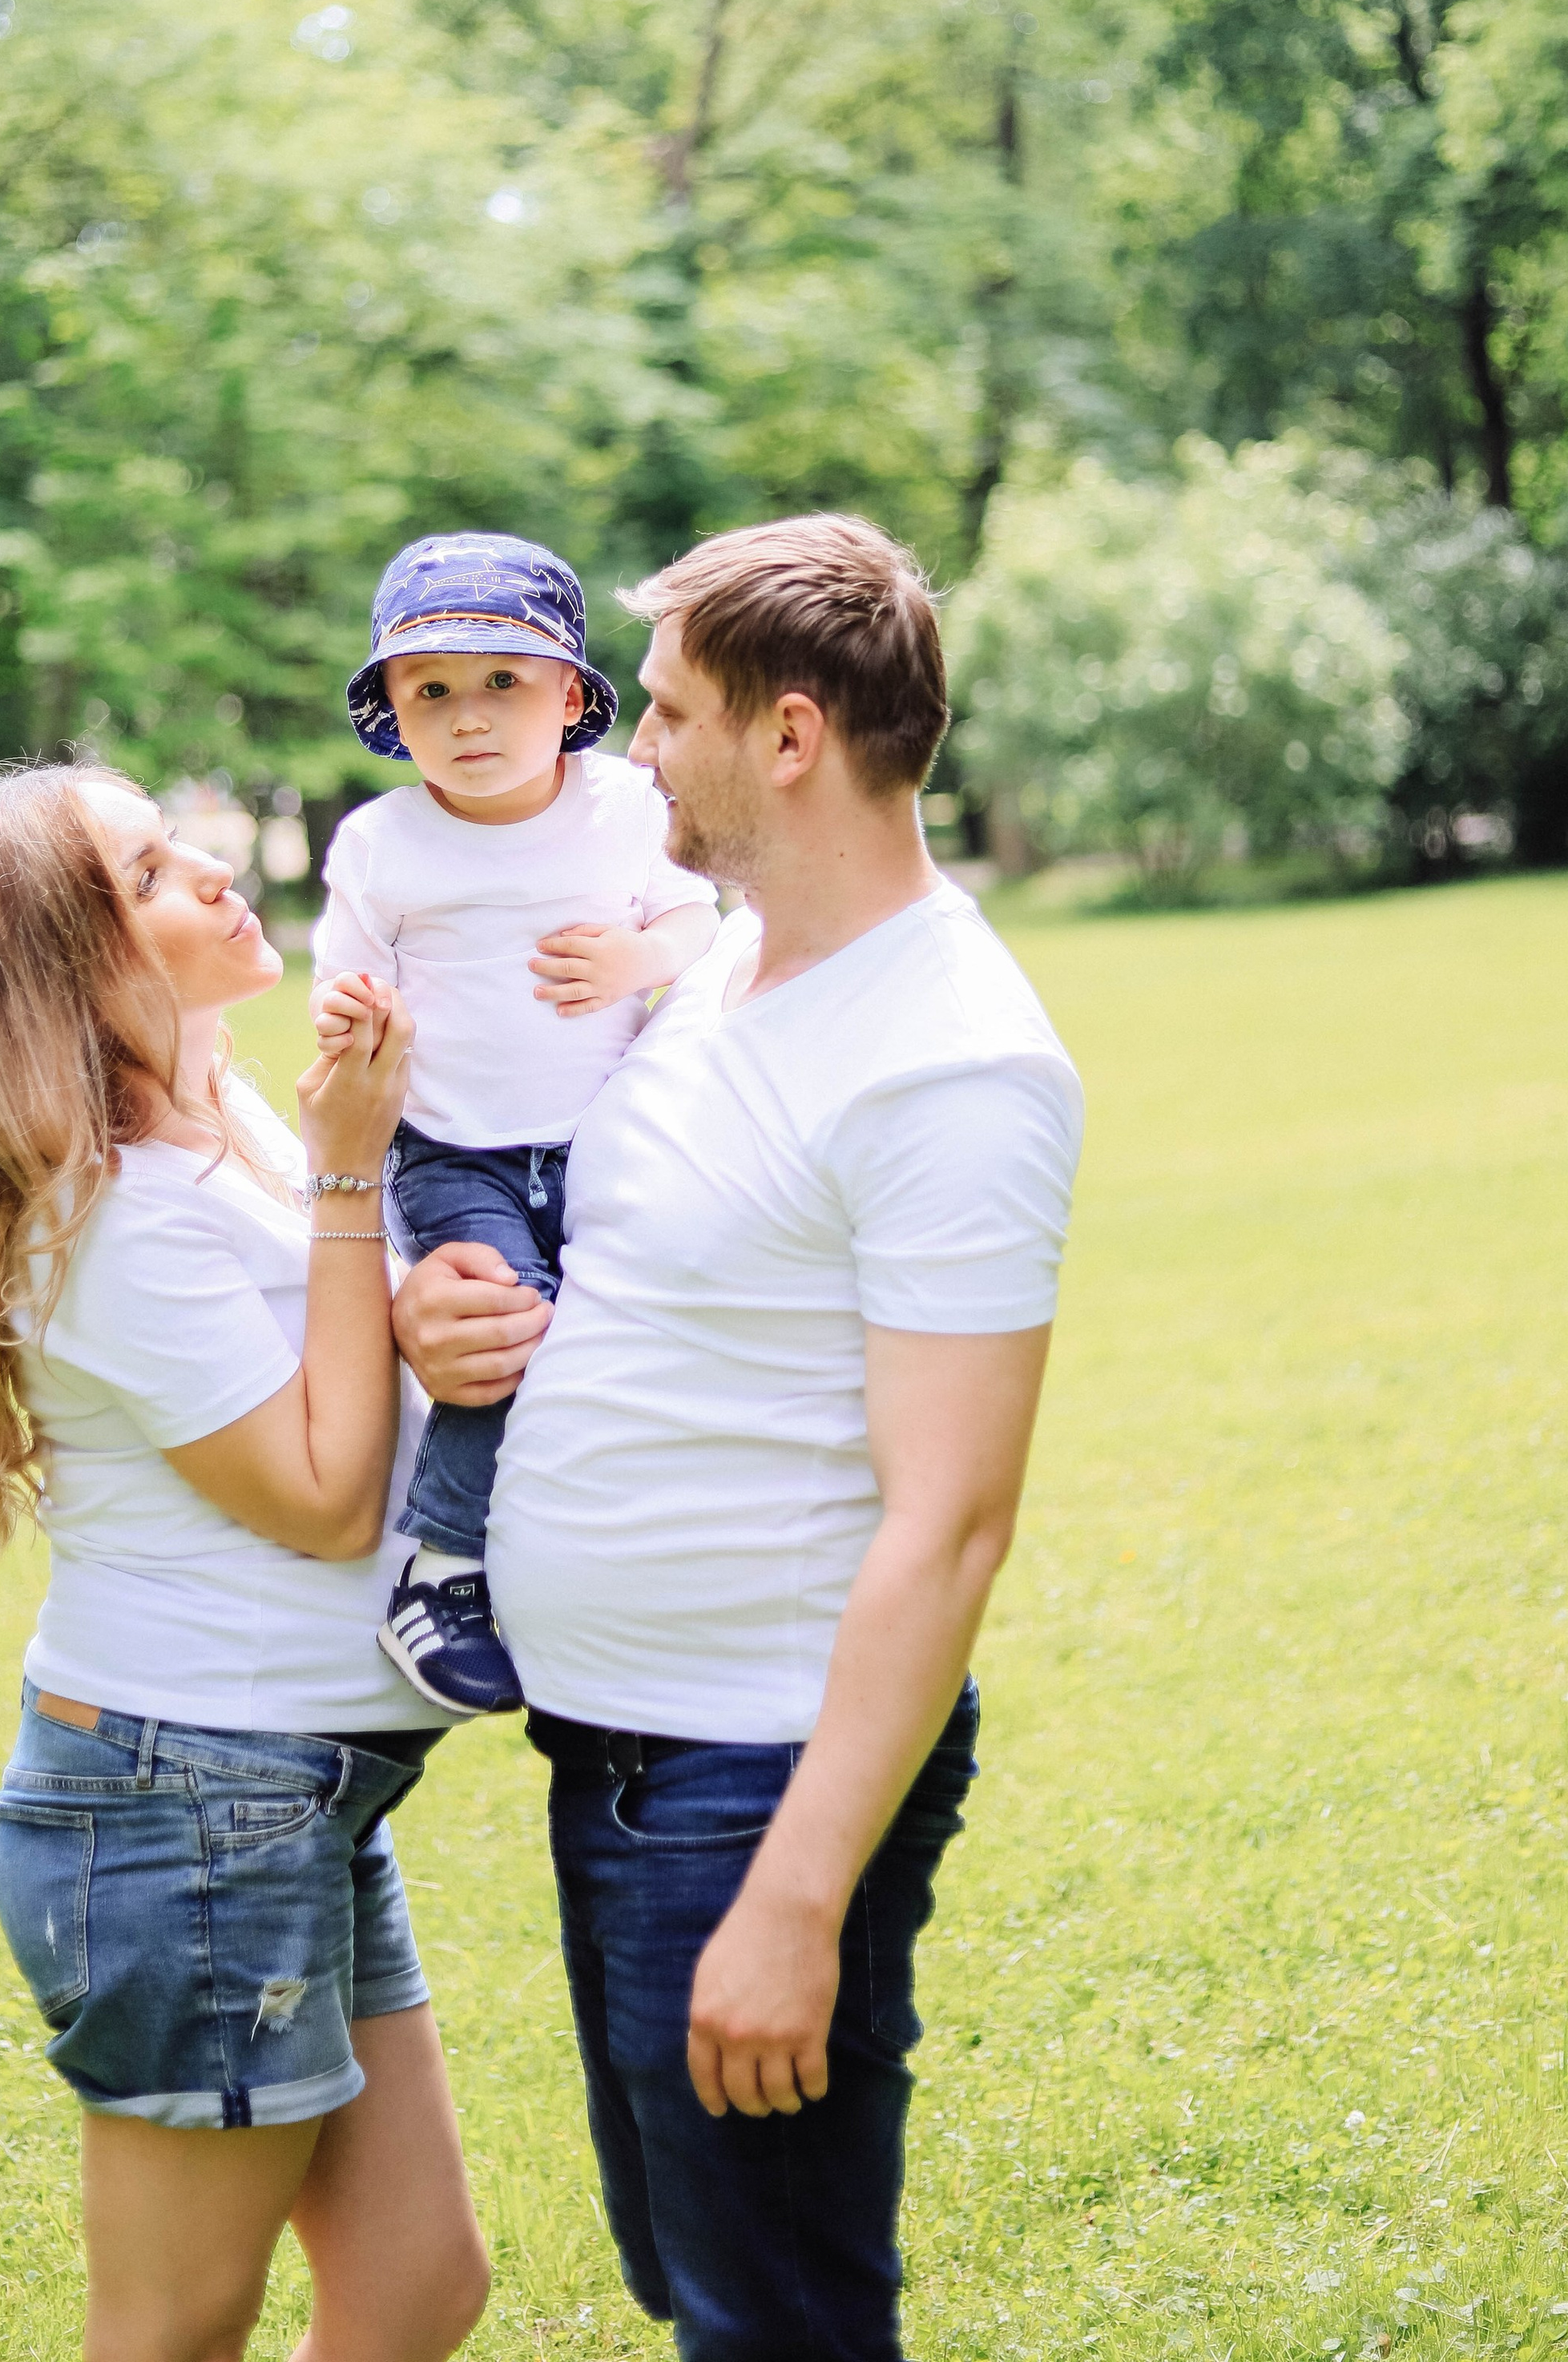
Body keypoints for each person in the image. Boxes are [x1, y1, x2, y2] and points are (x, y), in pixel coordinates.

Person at [392, 514, 1086, 2362]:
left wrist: (795, 1898)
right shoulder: (715, 966)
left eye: (670, 712)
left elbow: (949, 1525)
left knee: (774, 2321)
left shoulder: (950, 1060)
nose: (635, 753)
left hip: (752, 1782)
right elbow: (617, 1267)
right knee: (693, 2278)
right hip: (612, 1756)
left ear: (788, 737)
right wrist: (442, 1320)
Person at [0, 763, 495, 2362]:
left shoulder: (228, 1139)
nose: (214, 873)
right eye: (153, 870)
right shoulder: (110, 1218)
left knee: (416, 2287)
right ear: (74, 967)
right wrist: (358, 1166)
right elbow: (319, 1494)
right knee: (171, 2332)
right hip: (184, 1807)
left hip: (287, 1795)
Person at [312, 534, 719, 1715]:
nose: (469, 718)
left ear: (572, 696)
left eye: (503, 681)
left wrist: (638, 954)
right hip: (453, 1144)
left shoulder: (628, 810)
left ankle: (593, 1550)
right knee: (503, 1321)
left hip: (603, 1134)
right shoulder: (385, 846)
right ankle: (442, 1568)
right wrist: (350, 1011)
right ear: (391, 708)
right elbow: (339, 986)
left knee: (615, 1334)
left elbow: (695, 924)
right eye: (431, 690)